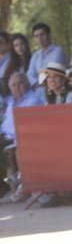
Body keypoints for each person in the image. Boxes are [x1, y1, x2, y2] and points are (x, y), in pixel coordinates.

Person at [0, 72, 44, 204]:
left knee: (13, 150)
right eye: (13, 85)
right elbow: (6, 123)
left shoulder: (33, 100)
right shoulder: (11, 101)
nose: (17, 87)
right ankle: (8, 188)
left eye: (20, 83)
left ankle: (21, 189)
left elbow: (27, 124)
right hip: (8, 137)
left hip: (25, 137)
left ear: (27, 84)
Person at [25, 23, 66, 87]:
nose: (39, 39)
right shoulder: (35, 55)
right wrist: (36, 83)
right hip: (38, 89)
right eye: (36, 36)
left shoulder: (58, 51)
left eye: (42, 34)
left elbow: (52, 72)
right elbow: (29, 75)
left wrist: (38, 82)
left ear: (49, 35)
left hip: (55, 88)